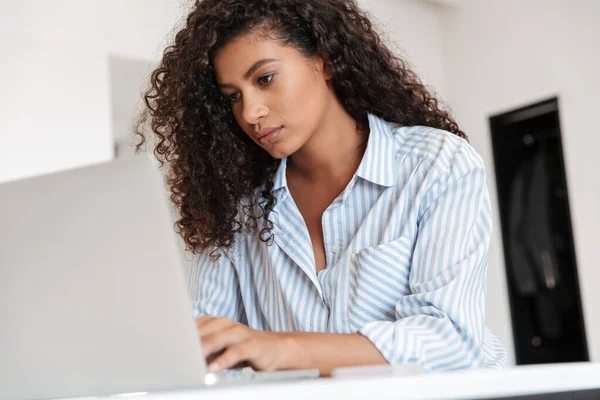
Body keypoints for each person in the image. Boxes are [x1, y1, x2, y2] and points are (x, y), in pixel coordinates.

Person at [135, 0, 507, 376]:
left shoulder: (435, 165)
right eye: (234, 96)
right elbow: (209, 350)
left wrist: (281, 349)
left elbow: (452, 340)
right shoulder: (236, 212)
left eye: (265, 79)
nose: (250, 113)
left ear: (324, 59)